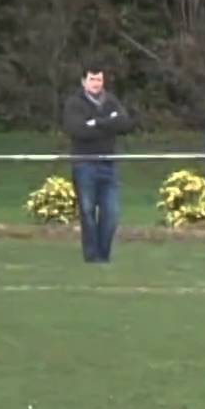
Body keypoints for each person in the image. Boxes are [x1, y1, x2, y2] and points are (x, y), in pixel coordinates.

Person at [61, 66, 134, 263]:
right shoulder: (74, 104)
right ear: (84, 82)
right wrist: (108, 124)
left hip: (108, 164)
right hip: (84, 164)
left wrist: (96, 123)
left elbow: (125, 124)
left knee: (111, 213)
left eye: (99, 80)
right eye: (93, 79)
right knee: (87, 210)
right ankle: (93, 257)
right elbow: (77, 130)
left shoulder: (111, 101)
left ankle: (104, 254)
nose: (96, 84)